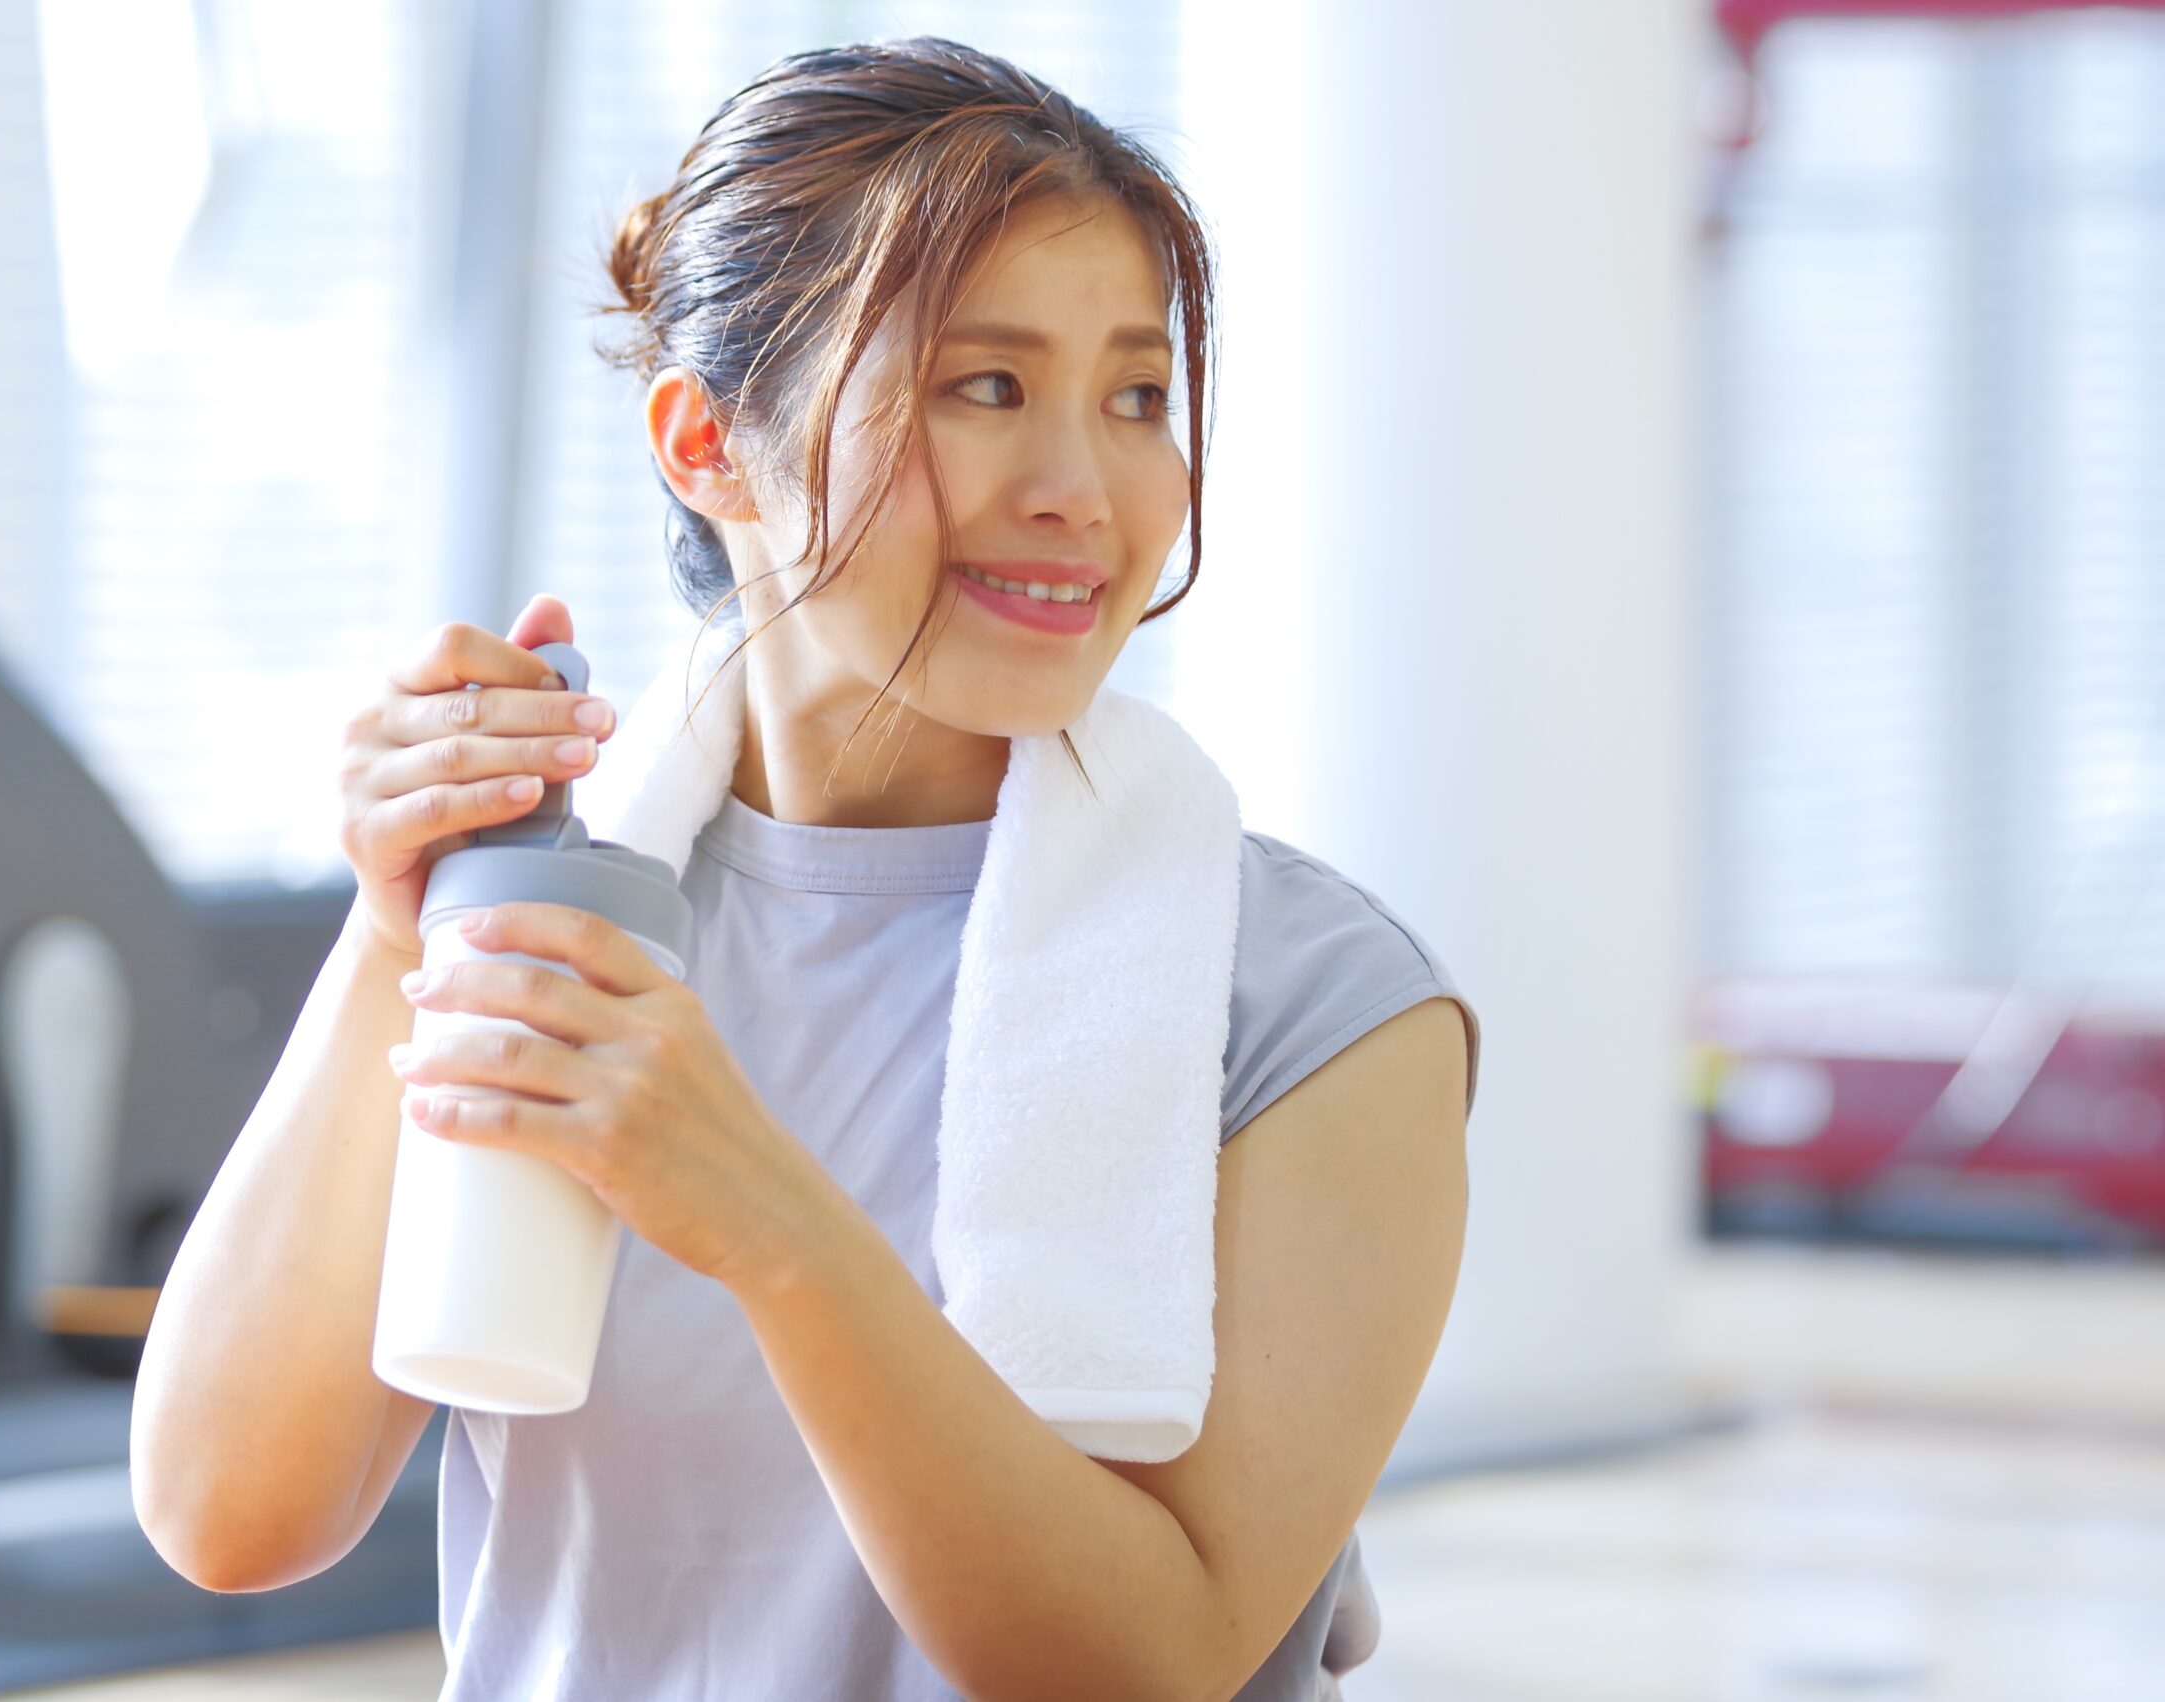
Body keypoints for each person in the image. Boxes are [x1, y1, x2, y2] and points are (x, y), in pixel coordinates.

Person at [132, 36, 1481, 1701]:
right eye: (986, 386)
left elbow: (1142, 1667)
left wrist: (764, 1219)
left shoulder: (1318, 1012)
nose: (1085, 490)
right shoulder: (550, 922)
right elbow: (225, 1512)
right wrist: (396, 920)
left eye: (1137, 395)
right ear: (706, 443)